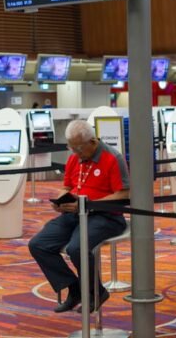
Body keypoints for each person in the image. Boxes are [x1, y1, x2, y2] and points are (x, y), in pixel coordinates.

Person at [28, 120, 129, 314]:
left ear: (92, 141)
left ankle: (95, 293)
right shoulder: (75, 157)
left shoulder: (112, 157)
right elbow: (67, 186)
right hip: (75, 213)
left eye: (79, 148)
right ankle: (74, 289)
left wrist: (89, 203)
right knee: (38, 244)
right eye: (72, 148)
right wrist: (60, 201)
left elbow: (124, 194)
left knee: (76, 248)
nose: (75, 153)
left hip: (106, 216)